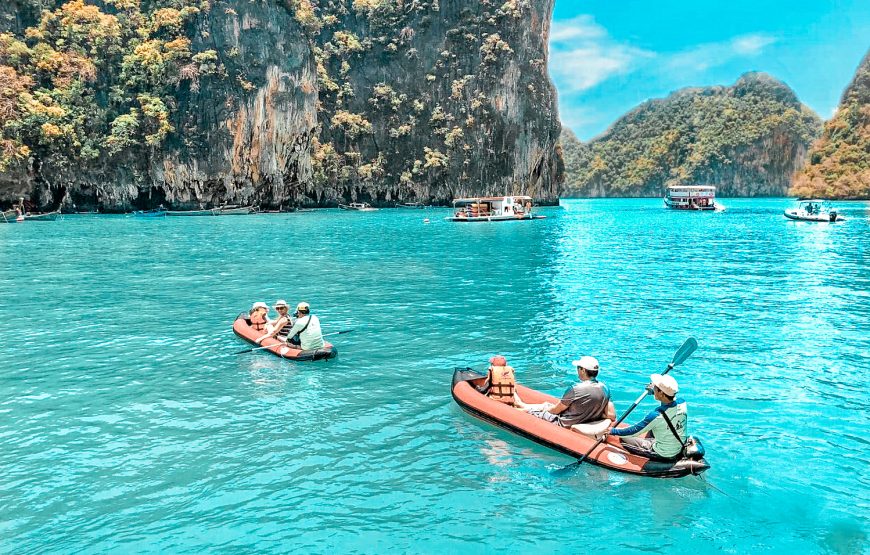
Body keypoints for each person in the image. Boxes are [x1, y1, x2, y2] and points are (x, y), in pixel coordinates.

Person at [608, 373, 687, 461]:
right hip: (678, 446)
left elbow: (634, 431)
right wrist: (654, 392)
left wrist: (613, 431)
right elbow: (668, 402)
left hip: (662, 452)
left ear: (661, 393)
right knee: (655, 427)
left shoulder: (656, 415)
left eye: (655, 388)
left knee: (624, 438)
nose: (654, 388)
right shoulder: (682, 403)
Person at [526, 356, 616, 427]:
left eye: (578, 368)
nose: (577, 370)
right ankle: (522, 405)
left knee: (531, 412)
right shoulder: (605, 388)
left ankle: (520, 408)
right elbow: (612, 416)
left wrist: (544, 411)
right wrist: (595, 413)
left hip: (566, 423)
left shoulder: (575, 389)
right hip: (586, 422)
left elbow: (555, 411)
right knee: (545, 405)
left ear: (583, 370)